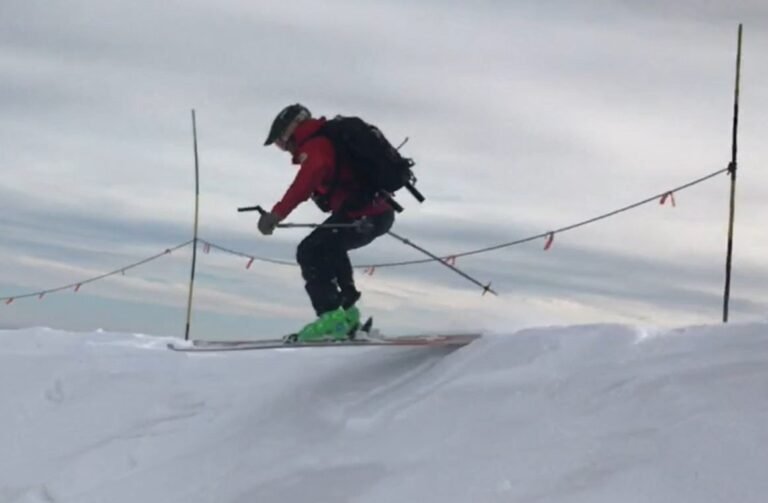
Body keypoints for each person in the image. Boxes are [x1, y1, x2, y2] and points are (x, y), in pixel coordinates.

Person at [258, 104, 395, 342]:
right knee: (329, 247)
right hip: (373, 212)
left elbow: (305, 182)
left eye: (280, 142)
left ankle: (331, 316)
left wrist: (276, 215)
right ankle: (348, 314)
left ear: (290, 131)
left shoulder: (316, 145)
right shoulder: (325, 139)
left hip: (365, 215)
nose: (284, 149)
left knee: (310, 250)